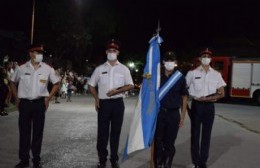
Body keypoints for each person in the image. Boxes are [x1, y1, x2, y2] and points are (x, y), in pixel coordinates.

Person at [10, 44, 60, 168]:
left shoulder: (47, 69)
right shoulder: (21, 68)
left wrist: (48, 98)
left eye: (41, 52)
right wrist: (16, 97)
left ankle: (36, 159)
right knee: (24, 132)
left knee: (38, 132)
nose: (40, 55)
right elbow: (12, 82)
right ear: (30, 53)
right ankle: (24, 160)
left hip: (39, 104)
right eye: (37, 52)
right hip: (25, 104)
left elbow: (57, 83)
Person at [88, 39, 134, 168]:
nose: (111, 52)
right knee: (102, 133)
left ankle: (114, 159)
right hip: (104, 104)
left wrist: (117, 91)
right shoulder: (99, 69)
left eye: (114, 51)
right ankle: (102, 159)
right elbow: (91, 85)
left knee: (115, 132)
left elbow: (131, 85)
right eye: (109, 50)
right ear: (106, 52)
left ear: (118, 52)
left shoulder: (124, 69)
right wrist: (96, 99)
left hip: (118, 104)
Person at [186, 48, 226, 168]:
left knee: (206, 135)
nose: (206, 58)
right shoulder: (192, 73)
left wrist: (208, 99)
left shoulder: (216, 74)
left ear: (211, 59)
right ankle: (195, 161)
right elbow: (184, 89)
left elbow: (222, 93)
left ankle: (203, 161)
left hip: (209, 106)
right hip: (197, 106)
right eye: (204, 56)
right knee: (195, 134)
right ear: (199, 58)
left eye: (208, 56)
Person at [153, 51, 188, 168]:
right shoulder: (157, 77)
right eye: (167, 60)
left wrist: (182, 117)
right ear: (163, 62)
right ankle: (158, 162)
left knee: (169, 142)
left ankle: (167, 164)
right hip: (159, 113)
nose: (169, 63)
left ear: (175, 63)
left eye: (171, 61)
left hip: (173, 115)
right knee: (158, 141)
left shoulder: (180, 78)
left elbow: (184, 98)